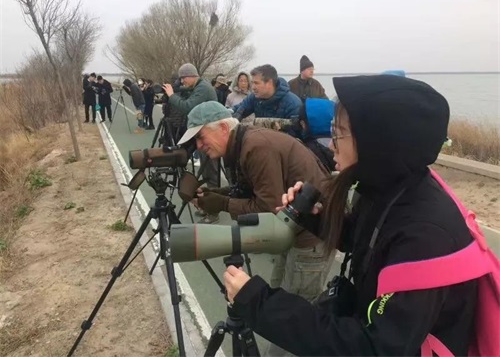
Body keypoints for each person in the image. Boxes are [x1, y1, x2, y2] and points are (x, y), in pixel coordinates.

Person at [223, 75, 478, 356]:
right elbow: (368, 244)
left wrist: (259, 303)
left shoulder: (426, 234)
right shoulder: (387, 187)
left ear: (378, 140)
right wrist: (313, 218)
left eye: (338, 132)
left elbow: (375, 347)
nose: (332, 145)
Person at [177, 101, 336, 353]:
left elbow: (268, 209)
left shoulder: (255, 147)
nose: (198, 146)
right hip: (294, 231)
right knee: (278, 298)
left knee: (295, 316)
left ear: (221, 128)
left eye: (200, 137)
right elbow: (256, 189)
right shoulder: (243, 143)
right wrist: (219, 193)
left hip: (311, 236)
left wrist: (224, 203)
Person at [163, 63, 219, 223]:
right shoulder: (200, 86)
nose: (182, 83)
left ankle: (214, 212)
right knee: (207, 173)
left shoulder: (203, 88)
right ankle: (208, 207)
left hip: (211, 137)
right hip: (204, 135)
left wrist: (172, 95)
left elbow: (187, 107)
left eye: (183, 79)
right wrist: (175, 90)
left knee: (211, 175)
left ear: (189, 76)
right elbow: (186, 91)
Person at [232, 64, 302, 136]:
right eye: (252, 83)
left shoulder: (293, 104)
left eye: (256, 83)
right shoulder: (254, 97)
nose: (253, 87)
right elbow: (240, 109)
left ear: (269, 83)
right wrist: (227, 114)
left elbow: (297, 136)